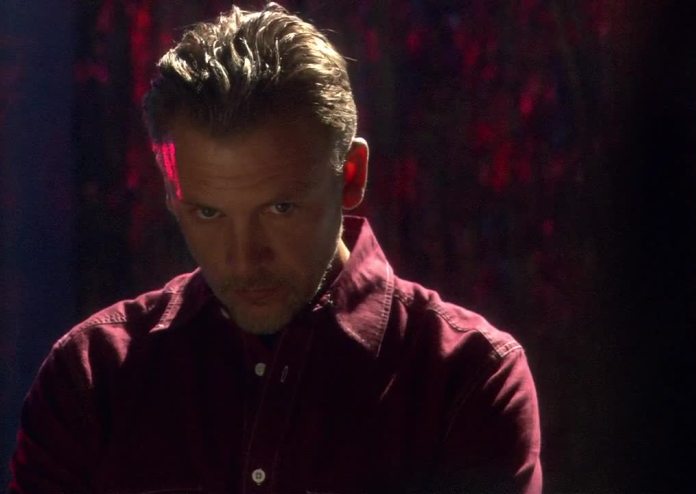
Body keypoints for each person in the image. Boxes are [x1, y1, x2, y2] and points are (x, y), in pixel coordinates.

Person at [9, 3, 541, 493]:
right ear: (172, 191)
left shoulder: (467, 379)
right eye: (209, 213)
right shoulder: (91, 376)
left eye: (280, 208)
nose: (243, 259)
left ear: (350, 175)